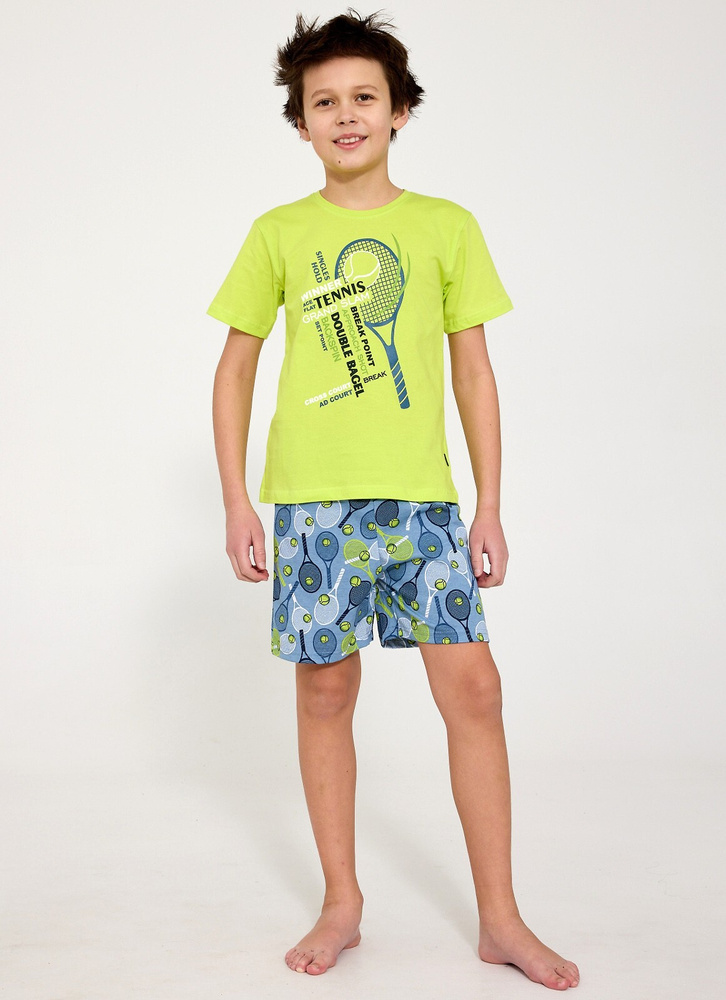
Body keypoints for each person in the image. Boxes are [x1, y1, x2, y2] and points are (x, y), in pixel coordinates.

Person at [207, 10, 580, 991]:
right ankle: (343, 900)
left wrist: (488, 504)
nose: (346, 115)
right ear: (300, 124)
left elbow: (474, 372)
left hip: (422, 506)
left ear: (400, 110)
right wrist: (238, 501)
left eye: (364, 97)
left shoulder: (446, 226)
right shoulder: (279, 233)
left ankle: (500, 916)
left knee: (476, 690)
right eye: (324, 102)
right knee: (326, 691)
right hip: (313, 506)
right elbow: (236, 368)